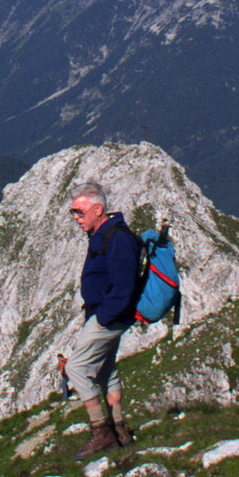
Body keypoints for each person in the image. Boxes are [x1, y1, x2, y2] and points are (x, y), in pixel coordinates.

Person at [65, 181, 140, 457]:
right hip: (105, 315)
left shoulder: (117, 238)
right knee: (106, 372)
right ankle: (120, 429)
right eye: (73, 212)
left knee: (75, 368)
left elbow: (124, 287)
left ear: (98, 209)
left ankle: (101, 431)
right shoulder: (101, 233)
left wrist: (102, 318)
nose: (75, 217)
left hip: (108, 317)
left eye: (80, 212)